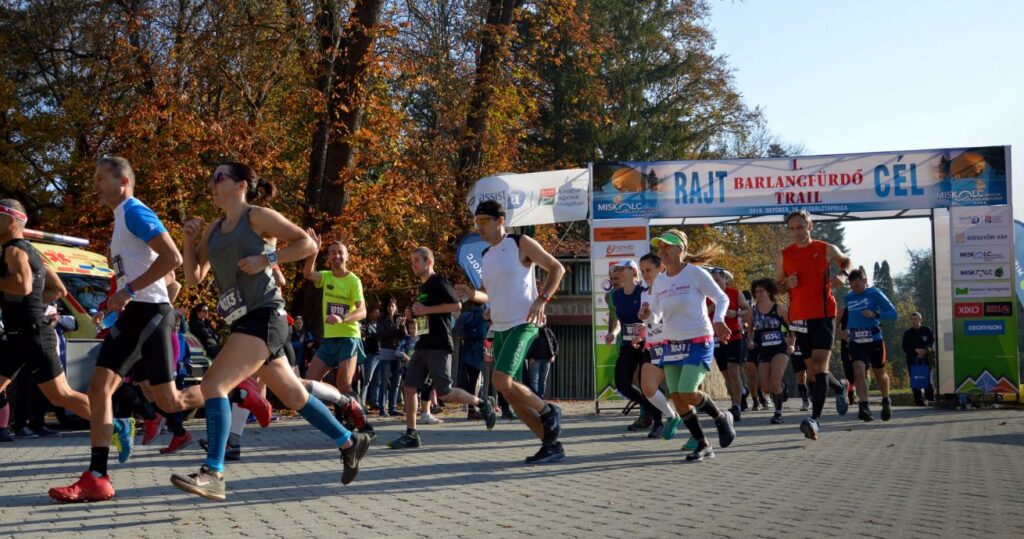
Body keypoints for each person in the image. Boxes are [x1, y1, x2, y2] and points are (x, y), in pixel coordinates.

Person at [51, 158, 270, 503]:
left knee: (113, 390)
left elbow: (173, 259)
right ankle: (235, 393)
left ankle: (98, 475)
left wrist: (129, 289)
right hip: (136, 312)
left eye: (100, 178)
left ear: (123, 181)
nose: (95, 184)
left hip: (149, 311)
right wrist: (117, 295)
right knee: (160, 399)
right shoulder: (121, 217)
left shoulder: (135, 211)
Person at [167, 161, 371, 499]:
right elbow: (193, 277)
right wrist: (189, 241)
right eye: (211, 178)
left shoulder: (256, 216)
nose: (213, 184)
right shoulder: (214, 230)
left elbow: (306, 244)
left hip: (266, 315)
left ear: (241, 184)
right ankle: (349, 441)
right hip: (242, 320)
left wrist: (267, 260)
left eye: (220, 177)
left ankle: (214, 471)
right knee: (294, 396)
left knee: (213, 384)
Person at [456, 200, 567, 464]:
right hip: (500, 326)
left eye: (484, 221)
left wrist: (542, 299)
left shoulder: (520, 243)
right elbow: (490, 294)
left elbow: (557, 268)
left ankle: (550, 410)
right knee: (511, 396)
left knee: (501, 381)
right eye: (477, 222)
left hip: (524, 322)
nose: (479, 227)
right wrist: (474, 295)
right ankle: (551, 444)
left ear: (500, 221)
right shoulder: (486, 255)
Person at [639, 229, 736, 462]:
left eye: (667, 246)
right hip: (672, 343)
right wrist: (646, 315)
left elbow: (721, 298)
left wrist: (719, 319)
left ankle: (722, 417)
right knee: (678, 397)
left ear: (681, 250)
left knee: (688, 391)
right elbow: (657, 316)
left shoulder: (695, 273)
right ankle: (703, 444)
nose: (662, 251)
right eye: (660, 247)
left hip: (698, 339)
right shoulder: (660, 280)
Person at [386, 247, 497, 449]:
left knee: (444, 392)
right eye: (412, 261)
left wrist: (426, 309)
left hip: (439, 345)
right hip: (422, 344)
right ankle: (411, 434)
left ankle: (482, 403)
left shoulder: (439, 282)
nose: (413, 265)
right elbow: (425, 315)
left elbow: (456, 306)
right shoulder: (423, 288)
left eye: (417, 260)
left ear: (429, 262)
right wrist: (413, 315)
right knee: (409, 388)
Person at [777, 210, 852, 440]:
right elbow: (778, 286)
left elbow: (847, 261)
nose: (796, 232)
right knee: (812, 372)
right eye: (792, 228)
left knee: (820, 365)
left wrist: (844, 275)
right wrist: (786, 283)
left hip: (823, 314)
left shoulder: (824, 248)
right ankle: (840, 388)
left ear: (810, 225)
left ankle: (814, 420)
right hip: (799, 317)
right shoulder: (784, 255)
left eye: (800, 227)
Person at [301, 235, 371, 432]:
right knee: (310, 382)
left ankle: (363, 424)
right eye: (332, 253)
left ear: (346, 257)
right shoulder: (326, 277)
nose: (336, 255)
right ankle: (338, 417)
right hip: (329, 340)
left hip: (349, 337)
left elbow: (363, 311)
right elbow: (307, 273)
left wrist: (343, 318)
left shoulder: (353, 281)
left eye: (340, 252)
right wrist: (314, 250)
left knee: (344, 384)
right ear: (329, 258)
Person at [605, 259, 665, 437]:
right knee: (622, 384)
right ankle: (649, 409)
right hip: (628, 345)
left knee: (647, 384)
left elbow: (656, 318)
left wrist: (644, 331)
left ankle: (658, 422)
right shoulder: (616, 296)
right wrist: (613, 333)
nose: (619, 273)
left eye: (623, 270)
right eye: (618, 270)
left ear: (633, 272)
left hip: (646, 344)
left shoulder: (644, 293)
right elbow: (616, 321)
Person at [633, 253, 682, 443]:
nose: (645, 274)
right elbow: (651, 319)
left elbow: (671, 314)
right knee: (648, 387)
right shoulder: (645, 292)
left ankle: (701, 434)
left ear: (661, 267)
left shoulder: (671, 287)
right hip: (653, 343)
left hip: (673, 343)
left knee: (682, 392)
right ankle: (672, 416)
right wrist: (643, 328)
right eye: (642, 271)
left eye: (648, 270)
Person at [843, 268, 897, 422]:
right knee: (858, 370)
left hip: (874, 339)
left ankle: (886, 400)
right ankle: (864, 405)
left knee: (879, 374)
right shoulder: (848, 298)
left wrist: (875, 314)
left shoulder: (875, 294)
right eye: (852, 287)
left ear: (865, 281)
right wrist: (846, 330)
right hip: (856, 341)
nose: (855, 290)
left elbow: (893, 314)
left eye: (858, 286)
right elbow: (850, 318)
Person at [746, 278, 792, 424]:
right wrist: (751, 341)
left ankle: (778, 413)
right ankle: (782, 387)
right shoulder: (753, 311)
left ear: (769, 291)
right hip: (763, 351)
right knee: (766, 387)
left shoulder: (778, 308)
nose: (758, 294)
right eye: (756, 291)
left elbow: (792, 328)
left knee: (775, 380)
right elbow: (749, 330)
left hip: (779, 349)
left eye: (762, 291)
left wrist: (792, 344)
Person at [707, 267, 750, 422]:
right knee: (727, 376)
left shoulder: (734, 293)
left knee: (733, 371)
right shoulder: (706, 296)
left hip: (735, 337)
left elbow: (748, 312)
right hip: (717, 340)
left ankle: (736, 406)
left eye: (717, 280)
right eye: (712, 280)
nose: (715, 283)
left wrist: (737, 314)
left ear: (725, 280)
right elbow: (701, 315)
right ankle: (742, 393)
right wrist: (712, 306)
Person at [453, 300, 487, 418]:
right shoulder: (483, 315)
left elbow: (456, 330)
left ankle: (470, 409)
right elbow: (483, 334)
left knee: (468, 382)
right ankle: (474, 409)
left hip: (466, 350)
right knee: (474, 381)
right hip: (477, 352)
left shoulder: (465, 315)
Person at [375, 297, 406, 416]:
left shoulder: (399, 318)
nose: (391, 309)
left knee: (396, 382)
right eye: (389, 306)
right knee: (384, 381)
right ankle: (382, 409)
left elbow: (404, 336)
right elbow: (382, 335)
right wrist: (395, 327)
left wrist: (402, 326)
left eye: (393, 306)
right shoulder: (381, 319)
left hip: (398, 352)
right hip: (386, 351)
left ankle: (392, 408)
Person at [902, 312, 935, 406]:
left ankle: (931, 402)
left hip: (927, 360)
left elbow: (932, 342)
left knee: (928, 382)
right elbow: (905, 347)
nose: (914, 321)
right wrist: (916, 350)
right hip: (913, 361)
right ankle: (920, 404)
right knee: (916, 383)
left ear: (920, 319)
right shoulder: (907, 333)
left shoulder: (927, 330)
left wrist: (925, 350)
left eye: (916, 318)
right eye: (912, 319)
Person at [526, 323, 558, 399]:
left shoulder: (548, 331)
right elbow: (526, 345)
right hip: (534, 360)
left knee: (543, 381)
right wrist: (529, 357)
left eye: (544, 320)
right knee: (534, 381)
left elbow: (555, 344)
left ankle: (540, 399)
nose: (543, 321)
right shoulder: (532, 330)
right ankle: (534, 399)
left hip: (546, 360)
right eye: (541, 319)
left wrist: (553, 355)